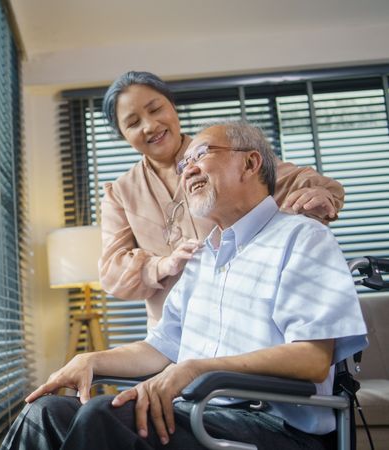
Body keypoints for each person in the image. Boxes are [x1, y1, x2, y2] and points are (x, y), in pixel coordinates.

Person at [1, 121, 367, 450]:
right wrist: (90, 359)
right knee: (45, 413)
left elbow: (313, 357)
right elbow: (161, 348)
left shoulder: (303, 237)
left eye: (201, 155)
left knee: (104, 416)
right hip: (198, 414)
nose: (187, 169)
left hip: (275, 428)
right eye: (182, 165)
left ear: (251, 163)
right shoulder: (203, 258)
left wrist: (193, 369)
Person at [98, 71, 346, 329]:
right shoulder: (120, 193)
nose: (149, 126)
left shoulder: (222, 150)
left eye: (155, 109)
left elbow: (304, 181)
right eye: (133, 122)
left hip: (242, 324)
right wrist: (162, 265)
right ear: (122, 134)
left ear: (172, 107)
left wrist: (318, 194)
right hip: (170, 336)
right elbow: (112, 273)